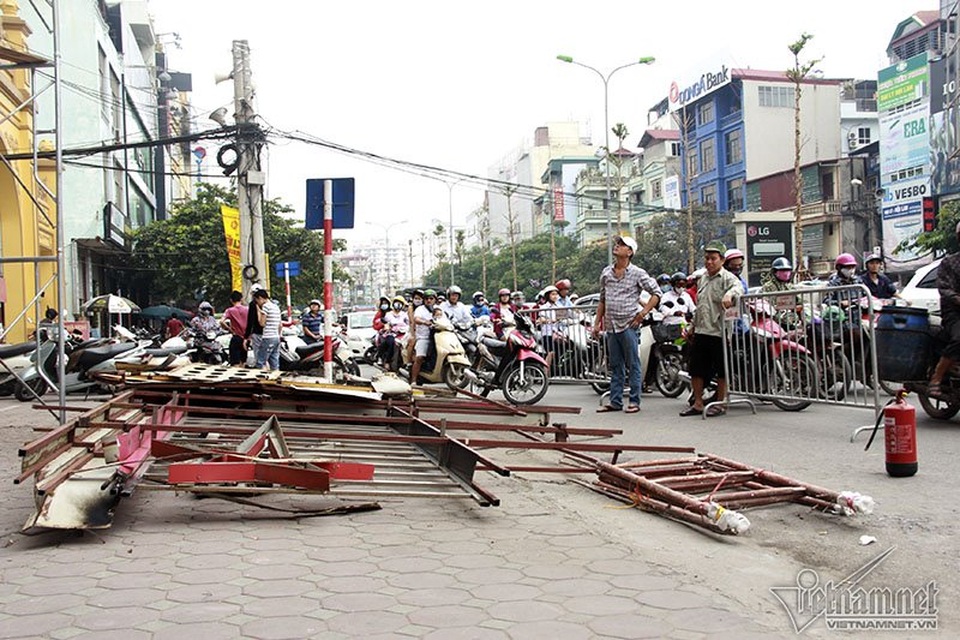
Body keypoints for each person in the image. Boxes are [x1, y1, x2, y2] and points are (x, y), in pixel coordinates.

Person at [592, 235, 662, 414]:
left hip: (629, 325)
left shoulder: (638, 273)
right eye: (618, 243)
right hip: (611, 325)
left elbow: (656, 293)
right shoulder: (606, 272)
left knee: (633, 364)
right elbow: (602, 300)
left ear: (630, 252)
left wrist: (642, 313)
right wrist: (596, 323)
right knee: (615, 365)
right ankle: (615, 401)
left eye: (622, 245)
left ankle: (634, 401)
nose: (617, 246)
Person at [680, 240, 742, 417]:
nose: (709, 262)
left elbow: (738, 289)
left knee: (721, 370)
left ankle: (720, 403)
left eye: (713, 258)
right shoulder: (703, 279)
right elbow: (700, 307)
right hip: (701, 330)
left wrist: (729, 294)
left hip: (719, 332)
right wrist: (691, 328)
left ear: (722, 260)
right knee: (696, 369)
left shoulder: (729, 279)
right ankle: (698, 403)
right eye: (707, 258)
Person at [929, 222, 960, 396]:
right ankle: (937, 377)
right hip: (954, 313)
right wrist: (957, 299)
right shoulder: (949, 262)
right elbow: (944, 288)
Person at [410, 289, 437, 385]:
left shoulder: (437, 309)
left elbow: (445, 318)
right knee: (420, 357)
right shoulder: (420, 309)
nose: (429, 300)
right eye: (426, 299)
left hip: (437, 337)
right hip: (424, 337)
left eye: (431, 298)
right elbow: (416, 319)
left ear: (435, 300)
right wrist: (425, 322)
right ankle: (413, 380)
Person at [253, 289, 281, 370]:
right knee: (274, 361)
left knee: (260, 361)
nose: (257, 303)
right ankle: (276, 378)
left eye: (257, 300)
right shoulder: (276, 307)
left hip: (268, 337)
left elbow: (262, 323)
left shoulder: (265, 307)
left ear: (261, 298)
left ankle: (261, 379)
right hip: (276, 337)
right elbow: (280, 324)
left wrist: (259, 312)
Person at [220, 291, 249, 366]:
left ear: (231, 300)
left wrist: (229, 329)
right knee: (243, 361)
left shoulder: (229, 310)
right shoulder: (247, 309)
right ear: (241, 299)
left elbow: (221, 321)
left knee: (235, 362)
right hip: (246, 338)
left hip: (236, 337)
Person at [537, 285, 562, 371]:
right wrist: (551, 320)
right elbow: (541, 319)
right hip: (547, 333)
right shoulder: (544, 307)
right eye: (553, 294)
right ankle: (545, 373)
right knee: (551, 352)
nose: (555, 296)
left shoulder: (559, 307)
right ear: (548, 296)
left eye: (556, 294)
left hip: (558, 333)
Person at [243, 285, 265, 365]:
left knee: (259, 358)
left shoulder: (253, 304)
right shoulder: (269, 304)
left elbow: (250, 321)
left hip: (257, 333)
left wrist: (246, 337)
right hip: (269, 334)